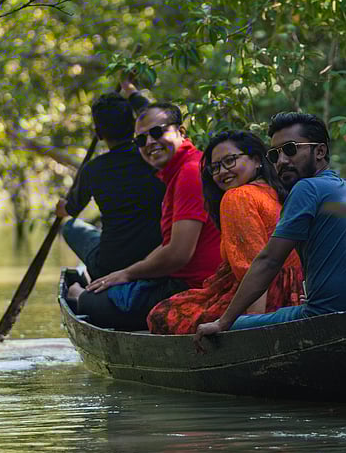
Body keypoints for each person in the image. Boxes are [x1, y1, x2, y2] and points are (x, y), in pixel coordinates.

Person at [194, 112, 346, 346]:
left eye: (290, 149)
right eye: (275, 154)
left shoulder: (307, 189)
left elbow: (269, 261)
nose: (281, 161)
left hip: (328, 319)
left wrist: (223, 322)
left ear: (320, 151)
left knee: (229, 327)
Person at [68, 102, 222, 330]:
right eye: (141, 139)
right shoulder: (177, 171)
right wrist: (129, 273)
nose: (149, 142)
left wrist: (128, 274)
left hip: (192, 285)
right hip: (177, 277)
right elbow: (169, 245)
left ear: (181, 131)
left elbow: (178, 254)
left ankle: (77, 295)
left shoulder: (189, 172)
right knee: (115, 288)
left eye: (157, 132)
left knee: (95, 302)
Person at [147, 130, 304, 334]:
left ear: (257, 160)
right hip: (293, 294)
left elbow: (254, 269)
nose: (222, 172)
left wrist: (251, 327)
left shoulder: (237, 197)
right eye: (215, 167)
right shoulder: (279, 192)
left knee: (161, 315)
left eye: (230, 161)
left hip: (258, 297)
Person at [57, 92, 165, 281]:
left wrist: (61, 208)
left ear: (98, 134)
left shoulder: (92, 169)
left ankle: (78, 287)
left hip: (110, 265)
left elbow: (72, 209)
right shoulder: (153, 158)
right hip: (156, 257)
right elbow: (157, 117)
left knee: (70, 227)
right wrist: (131, 92)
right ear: (134, 126)